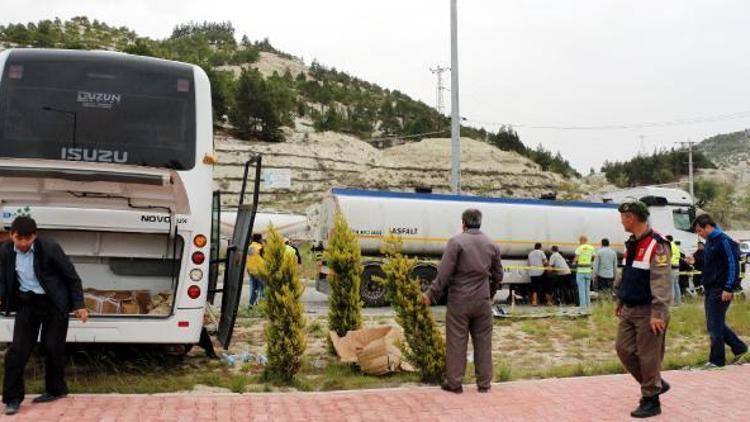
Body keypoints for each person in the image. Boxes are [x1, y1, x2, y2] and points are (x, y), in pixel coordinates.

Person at [0, 216, 88, 416]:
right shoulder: (5, 251)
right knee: (17, 351)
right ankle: (12, 399)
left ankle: (55, 390)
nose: (23, 244)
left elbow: (71, 277)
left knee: (52, 347)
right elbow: (2, 278)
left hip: (54, 303)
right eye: (18, 239)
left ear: (35, 236)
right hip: (27, 304)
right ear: (11, 235)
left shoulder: (50, 248)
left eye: (27, 239)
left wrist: (79, 305)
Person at [422, 209, 503, 394]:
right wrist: (490, 294)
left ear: (463, 223)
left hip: (459, 301)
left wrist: (430, 294)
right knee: (483, 342)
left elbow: (444, 273)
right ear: (480, 222)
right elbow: (498, 275)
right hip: (482, 302)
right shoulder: (491, 244)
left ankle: (455, 383)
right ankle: (484, 384)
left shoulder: (456, 242)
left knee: (457, 342)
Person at [614, 201, 673, 418]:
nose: (621, 221)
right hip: (629, 307)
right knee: (623, 349)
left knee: (649, 358)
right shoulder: (632, 243)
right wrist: (620, 298)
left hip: (649, 310)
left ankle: (651, 400)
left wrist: (658, 313)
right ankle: (655, 383)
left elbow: (662, 282)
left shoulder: (657, 244)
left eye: (623, 217)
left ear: (632, 217)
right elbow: (626, 274)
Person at [692, 214, 748, 367]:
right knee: (715, 324)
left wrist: (728, 288)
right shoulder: (710, 241)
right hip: (710, 288)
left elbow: (733, 265)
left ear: (708, 227)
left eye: (700, 231)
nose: (699, 234)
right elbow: (711, 263)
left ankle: (717, 361)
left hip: (721, 289)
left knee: (714, 325)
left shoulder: (724, 241)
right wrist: (696, 260)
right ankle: (740, 348)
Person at [573, 235, 595, 310]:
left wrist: (573, 263)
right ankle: (588, 305)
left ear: (581, 240)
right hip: (588, 271)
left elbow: (576, 258)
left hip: (580, 271)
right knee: (587, 289)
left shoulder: (579, 248)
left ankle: (583, 307)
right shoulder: (591, 248)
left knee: (581, 289)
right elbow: (594, 258)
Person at [246, 234, 265, 306]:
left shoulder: (249, 247)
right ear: (259, 239)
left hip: (250, 270)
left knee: (253, 288)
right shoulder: (260, 248)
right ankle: (261, 305)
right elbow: (265, 258)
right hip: (259, 270)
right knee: (262, 288)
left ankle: (251, 304)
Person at [665, 235, 682, 305]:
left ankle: (671, 302)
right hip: (677, 266)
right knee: (676, 284)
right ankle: (678, 301)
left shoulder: (670, 246)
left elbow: (669, 256)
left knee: (671, 285)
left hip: (671, 266)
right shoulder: (675, 246)